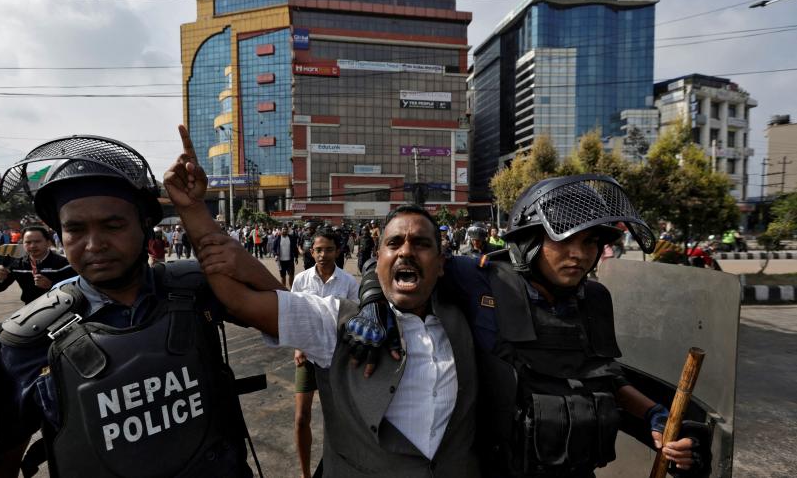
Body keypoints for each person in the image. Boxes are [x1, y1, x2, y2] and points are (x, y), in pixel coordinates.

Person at [166, 127, 480, 477]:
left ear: (441, 264)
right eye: (395, 243)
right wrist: (193, 209)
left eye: (421, 243)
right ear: (378, 260)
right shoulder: (335, 323)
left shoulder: (473, 320)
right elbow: (238, 300)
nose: (406, 250)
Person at [350, 175, 709, 478]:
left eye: (591, 243)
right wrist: (372, 303)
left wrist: (655, 418)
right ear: (529, 240)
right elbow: (396, 261)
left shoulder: (594, 299)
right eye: (566, 240)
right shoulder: (480, 279)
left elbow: (604, 378)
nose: (581, 255)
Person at [0, 134, 262, 478]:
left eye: (113, 225)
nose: (94, 244)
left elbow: (284, 308)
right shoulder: (23, 341)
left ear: (144, 226)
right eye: (75, 229)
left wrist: (195, 211)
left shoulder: (194, 289)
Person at [290, 226, 359, 478]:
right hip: (308, 356)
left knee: (338, 420)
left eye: (329, 249)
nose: (323, 254)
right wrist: (298, 346)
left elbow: (355, 322)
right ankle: (306, 473)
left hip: (337, 358)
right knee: (301, 418)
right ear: (311, 251)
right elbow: (295, 316)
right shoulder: (301, 280)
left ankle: (338, 468)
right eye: (318, 249)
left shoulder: (349, 282)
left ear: (338, 250)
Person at [0, 226, 76, 304]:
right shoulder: (17, 264)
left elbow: (78, 292)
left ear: (48, 243)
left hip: (62, 309)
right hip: (30, 310)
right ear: (23, 244)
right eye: (28, 242)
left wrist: (51, 286)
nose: (32, 246)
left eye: (37, 241)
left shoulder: (64, 265)